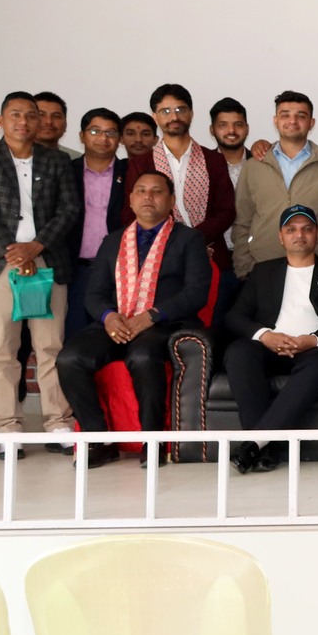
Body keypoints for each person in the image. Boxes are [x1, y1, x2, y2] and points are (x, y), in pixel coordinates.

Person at [56, 171, 215, 466]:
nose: (147, 197)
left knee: (142, 355)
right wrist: (108, 317)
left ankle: (152, 442)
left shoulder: (189, 239)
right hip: (116, 324)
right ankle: (98, 439)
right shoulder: (113, 241)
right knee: (70, 358)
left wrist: (153, 315)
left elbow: (196, 293)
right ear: (130, 199)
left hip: (165, 324)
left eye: (156, 191)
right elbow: (94, 294)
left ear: (171, 200)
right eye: (141, 191)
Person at [0, 91, 80, 441]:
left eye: (31, 115)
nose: (23, 121)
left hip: (47, 260)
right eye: (15, 114)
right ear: (1, 120)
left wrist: (36, 246)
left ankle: (58, 421)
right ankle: (7, 426)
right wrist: (12, 252)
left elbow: (69, 210)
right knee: (2, 349)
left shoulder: (56, 161)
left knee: (51, 347)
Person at [220, 205, 318, 474]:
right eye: (291, 229)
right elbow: (235, 316)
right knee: (238, 352)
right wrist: (265, 335)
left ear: (317, 234)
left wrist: (313, 340)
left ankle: (254, 445)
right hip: (270, 345)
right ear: (281, 237)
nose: (299, 235)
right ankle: (263, 448)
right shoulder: (263, 272)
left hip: (312, 349)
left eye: (307, 229)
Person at [231, 91, 318, 276]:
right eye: (285, 115)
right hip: (262, 266)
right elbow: (242, 220)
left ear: (311, 123)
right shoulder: (254, 166)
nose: (293, 121)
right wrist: (244, 267)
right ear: (275, 121)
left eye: (301, 116)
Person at [132, 84, 236, 284]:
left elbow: (226, 211)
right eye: (166, 111)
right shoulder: (141, 163)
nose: (174, 116)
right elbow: (131, 213)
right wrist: (169, 241)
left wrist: (192, 239)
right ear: (155, 117)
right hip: (158, 261)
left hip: (211, 256)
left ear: (191, 113)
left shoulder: (213, 160)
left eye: (180, 109)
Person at [66, 108, 131, 337]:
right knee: (73, 337)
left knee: (117, 338)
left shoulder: (131, 172)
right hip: (75, 269)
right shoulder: (66, 171)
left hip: (119, 272)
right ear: (82, 135)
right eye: (95, 131)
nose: (103, 138)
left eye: (111, 133)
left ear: (119, 139)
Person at [210, 98, 251, 187]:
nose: (231, 130)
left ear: (247, 129)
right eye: (223, 125)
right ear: (212, 130)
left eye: (238, 125)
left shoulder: (261, 162)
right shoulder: (204, 165)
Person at [34, 92, 79, 158]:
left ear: (66, 124)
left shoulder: (76, 160)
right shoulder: (17, 158)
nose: (49, 121)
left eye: (56, 116)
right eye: (41, 115)